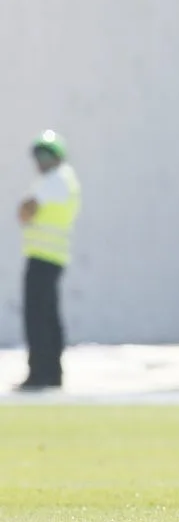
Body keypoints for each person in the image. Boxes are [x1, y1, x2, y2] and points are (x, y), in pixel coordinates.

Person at [14, 130, 81, 392]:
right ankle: (52, 372)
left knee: (37, 317)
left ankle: (40, 374)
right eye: (38, 156)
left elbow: (26, 210)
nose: (40, 162)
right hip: (53, 256)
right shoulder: (64, 180)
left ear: (57, 157)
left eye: (45, 156)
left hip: (43, 257)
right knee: (49, 316)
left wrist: (24, 210)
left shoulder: (54, 180)